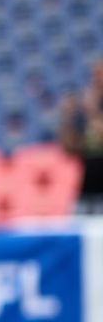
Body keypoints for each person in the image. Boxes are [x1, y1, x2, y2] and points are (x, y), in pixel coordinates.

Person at [58, 57, 103, 214]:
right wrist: (67, 118)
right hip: (86, 188)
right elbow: (70, 149)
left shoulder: (90, 108)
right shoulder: (84, 110)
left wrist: (92, 112)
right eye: (95, 76)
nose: (97, 80)